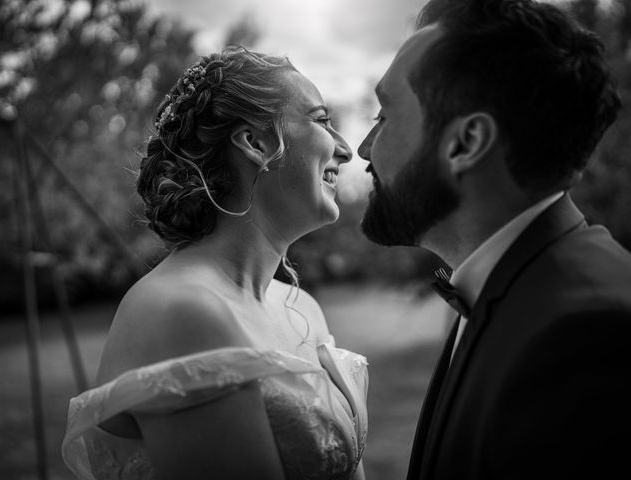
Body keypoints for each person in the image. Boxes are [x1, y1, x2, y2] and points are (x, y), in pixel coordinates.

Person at [62, 46, 368, 480]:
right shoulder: (180, 312)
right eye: (321, 121)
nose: (346, 150)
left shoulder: (303, 310)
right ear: (257, 144)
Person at [358, 0, 631, 478]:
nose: (363, 147)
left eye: (384, 115)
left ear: (465, 144)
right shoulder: (514, 286)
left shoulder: (587, 336)